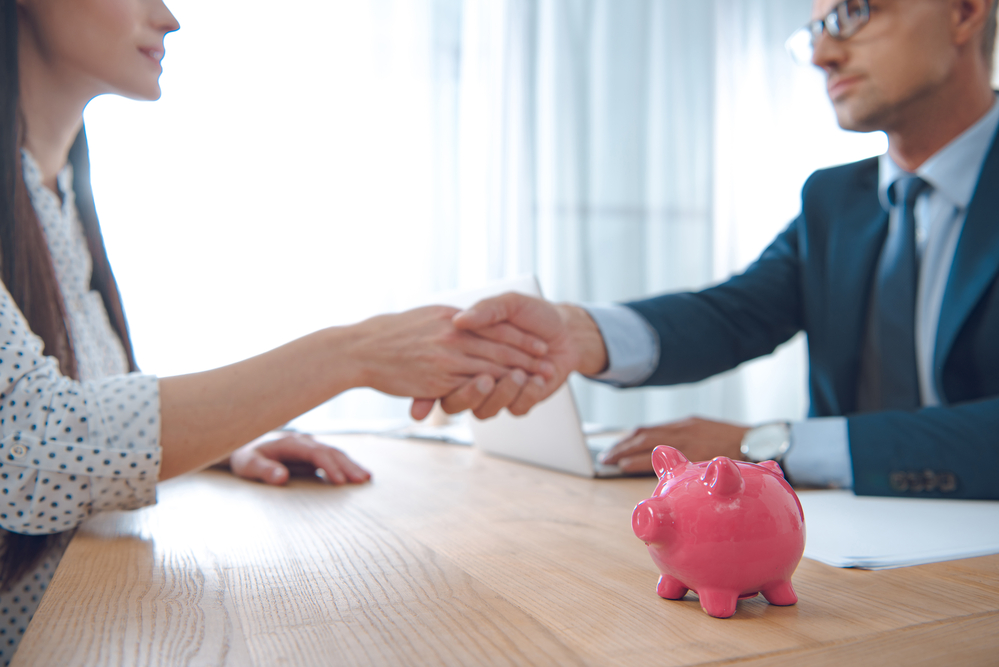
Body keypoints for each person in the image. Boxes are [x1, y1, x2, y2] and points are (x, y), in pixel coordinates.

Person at [0, 0, 550, 662]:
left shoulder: (53, 193)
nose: (170, 18)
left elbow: (87, 412)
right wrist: (353, 353)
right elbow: (32, 448)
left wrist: (215, 444)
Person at [418, 0, 999, 501]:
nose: (824, 55)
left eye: (853, 13)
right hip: (849, 540)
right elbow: (734, 314)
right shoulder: (836, 199)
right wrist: (578, 334)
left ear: (964, 11)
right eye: (815, 31)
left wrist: (771, 444)